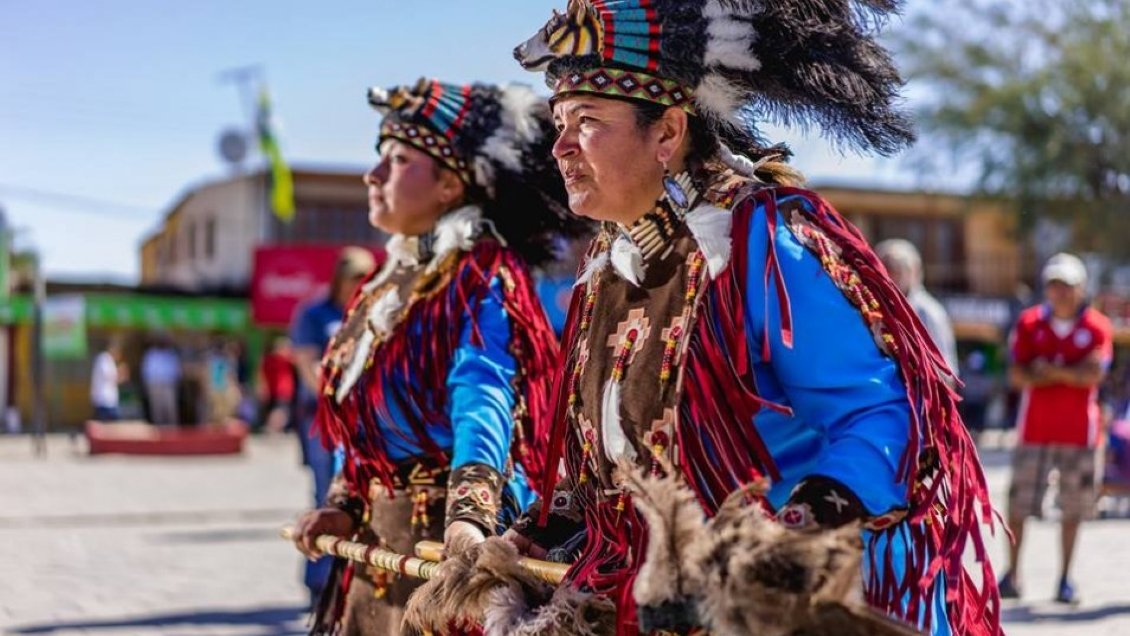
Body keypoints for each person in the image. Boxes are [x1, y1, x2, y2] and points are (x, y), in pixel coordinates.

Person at [495, 2, 1001, 635]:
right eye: (559, 122)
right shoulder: (608, 267)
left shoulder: (759, 246)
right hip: (649, 603)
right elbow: (620, 463)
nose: (562, 147)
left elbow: (883, 417)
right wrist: (544, 529)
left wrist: (789, 538)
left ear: (667, 133)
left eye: (588, 121)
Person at [291, 78, 583, 635]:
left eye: (398, 160)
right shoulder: (387, 284)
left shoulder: (480, 274)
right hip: (378, 550)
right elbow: (366, 419)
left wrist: (468, 523)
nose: (373, 175)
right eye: (380, 159)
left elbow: (485, 397)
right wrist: (345, 504)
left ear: (449, 184)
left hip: (447, 553)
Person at [998, 252, 1112, 604]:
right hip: (1034, 430)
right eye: (1053, 285)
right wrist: (1069, 373)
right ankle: (1012, 574)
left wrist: (1049, 371)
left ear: (1080, 288)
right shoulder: (1030, 322)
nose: (1059, 292)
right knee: (1018, 505)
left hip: (1079, 433)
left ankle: (1064, 578)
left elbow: (1094, 374)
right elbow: (1017, 375)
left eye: (1066, 285)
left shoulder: (1097, 326)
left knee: (1073, 509)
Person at [290, 246, 376, 607]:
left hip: (367, 422)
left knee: (364, 502)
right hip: (323, 421)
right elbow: (307, 365)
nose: (360, 283)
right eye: (354, 277)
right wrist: (337, 401)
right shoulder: (313, 314)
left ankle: (352, 585)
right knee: (328, 496)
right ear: (339, 278)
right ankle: (320, 583)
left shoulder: (373, 311)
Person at [876, 238, 960, 376]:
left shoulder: (929, 312)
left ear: (913, 272)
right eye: (885, 267)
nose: (890, 275)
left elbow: (946, 370)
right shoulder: (876, 306)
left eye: (896, 269)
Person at [258, 336, 296, 433]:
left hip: (273, 390)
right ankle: (275, 426)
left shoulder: (268, 359)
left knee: (277, 409)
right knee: (280, 410)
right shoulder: (285, 359)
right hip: (284, 390)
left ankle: (273, 426)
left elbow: (262, 375)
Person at [140, 335, 181, 425]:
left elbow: (176, 370)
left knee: (170, 408)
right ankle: (159, 429)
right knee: (157, 409)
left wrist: (175, 382)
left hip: (168, 384)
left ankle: (172, 429)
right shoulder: (151, 354)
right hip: (155, 385)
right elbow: (146, 371)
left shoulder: (171, 353)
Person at [90, 338, 127, 421]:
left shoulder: (109, 360)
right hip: (103, 400)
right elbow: (110, 377)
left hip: (110, 400)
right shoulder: (104, 358)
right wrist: (121, 372)